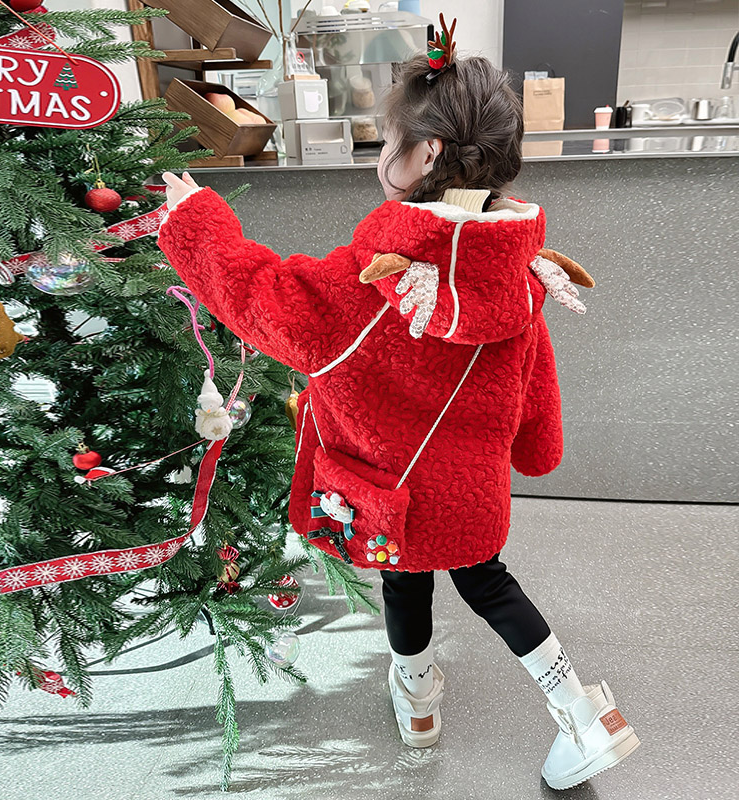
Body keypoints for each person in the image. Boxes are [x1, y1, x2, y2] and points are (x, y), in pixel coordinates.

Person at [158, 21, 639, 792]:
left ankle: (418, 700)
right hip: (473, 490)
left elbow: (265, 299)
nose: (379, 152)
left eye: (386, 137)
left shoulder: (373, 281)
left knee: (404, 582)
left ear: (423, 155)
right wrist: (536, 446)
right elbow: (530, 372)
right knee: (490, 584)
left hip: (385, 493)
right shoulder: (519, 272)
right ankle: (581, 710)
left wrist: (195, 222)